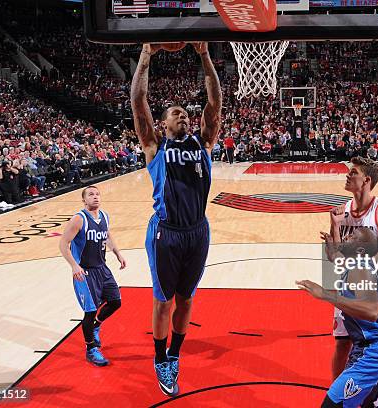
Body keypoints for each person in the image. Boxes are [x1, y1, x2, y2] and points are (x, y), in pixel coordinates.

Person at [131, 41, 221, 396]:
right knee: (162, 301)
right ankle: (159, 358)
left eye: (186, 112)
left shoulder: (204, 143)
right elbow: (139, 103)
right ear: (162, 124)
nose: (183, 115)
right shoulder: (155, 148)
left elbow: (214, 104)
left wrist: (204, 54)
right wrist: (146, 53)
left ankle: (174, 354)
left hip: (197, 231)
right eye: (175, 113)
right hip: (165, 233)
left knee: (186, 301)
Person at [297, 226, 378, 408]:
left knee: (333, 404)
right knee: (364, 403)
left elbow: (372, 311)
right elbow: (338, 258)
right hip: (369, 348)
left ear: (360, 250)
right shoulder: (358, 263)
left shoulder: (360, 269)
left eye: (352, 236)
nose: (347, 235)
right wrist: (331, 249)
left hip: (377, 351)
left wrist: (325, 294)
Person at [328, 157, 378, 408]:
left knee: (370, 343)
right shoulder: (344, 209)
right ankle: (341, 389)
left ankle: (372, 398)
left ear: (367, 180)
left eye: (353, 173)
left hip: (373, 291)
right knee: (342, 344)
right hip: (348, 285)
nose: (347, 176)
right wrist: (335, 227)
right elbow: (336, 255)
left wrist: (363, 262)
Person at [59, 186, 126, 366]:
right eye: (90, 194)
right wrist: (74, 266)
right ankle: (91, 349)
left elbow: (107, 235)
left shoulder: (104, 216)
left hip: (102, 268)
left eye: (97, 194)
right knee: (89, 312)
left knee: (115, 302)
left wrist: (118, 253)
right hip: (85, 272)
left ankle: (97, 325)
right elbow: (63, 244)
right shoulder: (79, 219)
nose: (95, 197)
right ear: (84, 200)